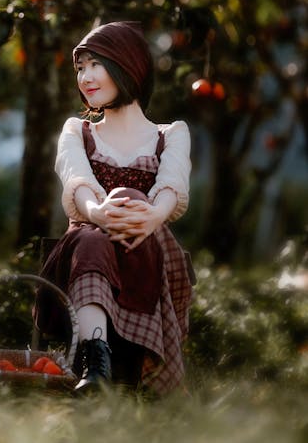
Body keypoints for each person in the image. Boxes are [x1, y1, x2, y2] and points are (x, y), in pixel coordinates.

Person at [37, 21, 193, 395]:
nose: (85, 77)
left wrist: (152, 215)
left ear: (127, 65)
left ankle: (116, 360)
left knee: (135, 199)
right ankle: (96, 358)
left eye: (95, 64)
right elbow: (77, 182)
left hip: (147, 255)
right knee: (92, 238)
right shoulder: (78, 131)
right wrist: (98, 214)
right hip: (84, 256)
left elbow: (172, 186)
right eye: (80, 68)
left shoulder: (171, 134)